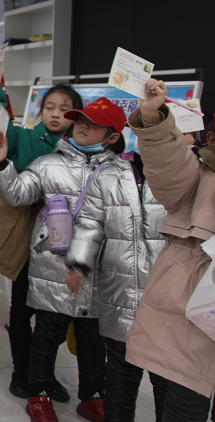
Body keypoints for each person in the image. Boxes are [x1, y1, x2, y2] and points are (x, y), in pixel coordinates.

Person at [0, 97, 129, 422]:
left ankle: (92, 395)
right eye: (80, 120)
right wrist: (0, 164)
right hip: (53, 265)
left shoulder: (122, 173)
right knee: (47, 333)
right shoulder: (49, 164)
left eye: (94, 124)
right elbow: (17, 194)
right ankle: (38, 394)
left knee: (93, 337)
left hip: (99, 269)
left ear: (112, 136)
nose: (83, 126)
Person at [0, 65, 82, 402]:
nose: (55, 113)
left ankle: (44, 375)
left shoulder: (81, 149)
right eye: (49, 107)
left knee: (56, 316)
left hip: (64, 247)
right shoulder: (25, 138)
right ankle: (22, 372)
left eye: (64, 108)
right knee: (23, 309)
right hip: (28, 242)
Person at [125, 79, 215, 422]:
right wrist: (153, 116)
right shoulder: (201, 176)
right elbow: (169, 163)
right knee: (184, 408)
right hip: (192, 316)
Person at [65, 142, 169, 422]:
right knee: (121, 372)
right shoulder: (109, 173)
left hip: (169, 294)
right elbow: (90, 222)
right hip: (120, 289)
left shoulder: (184, 173)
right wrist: (79, 262)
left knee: (166, 378)